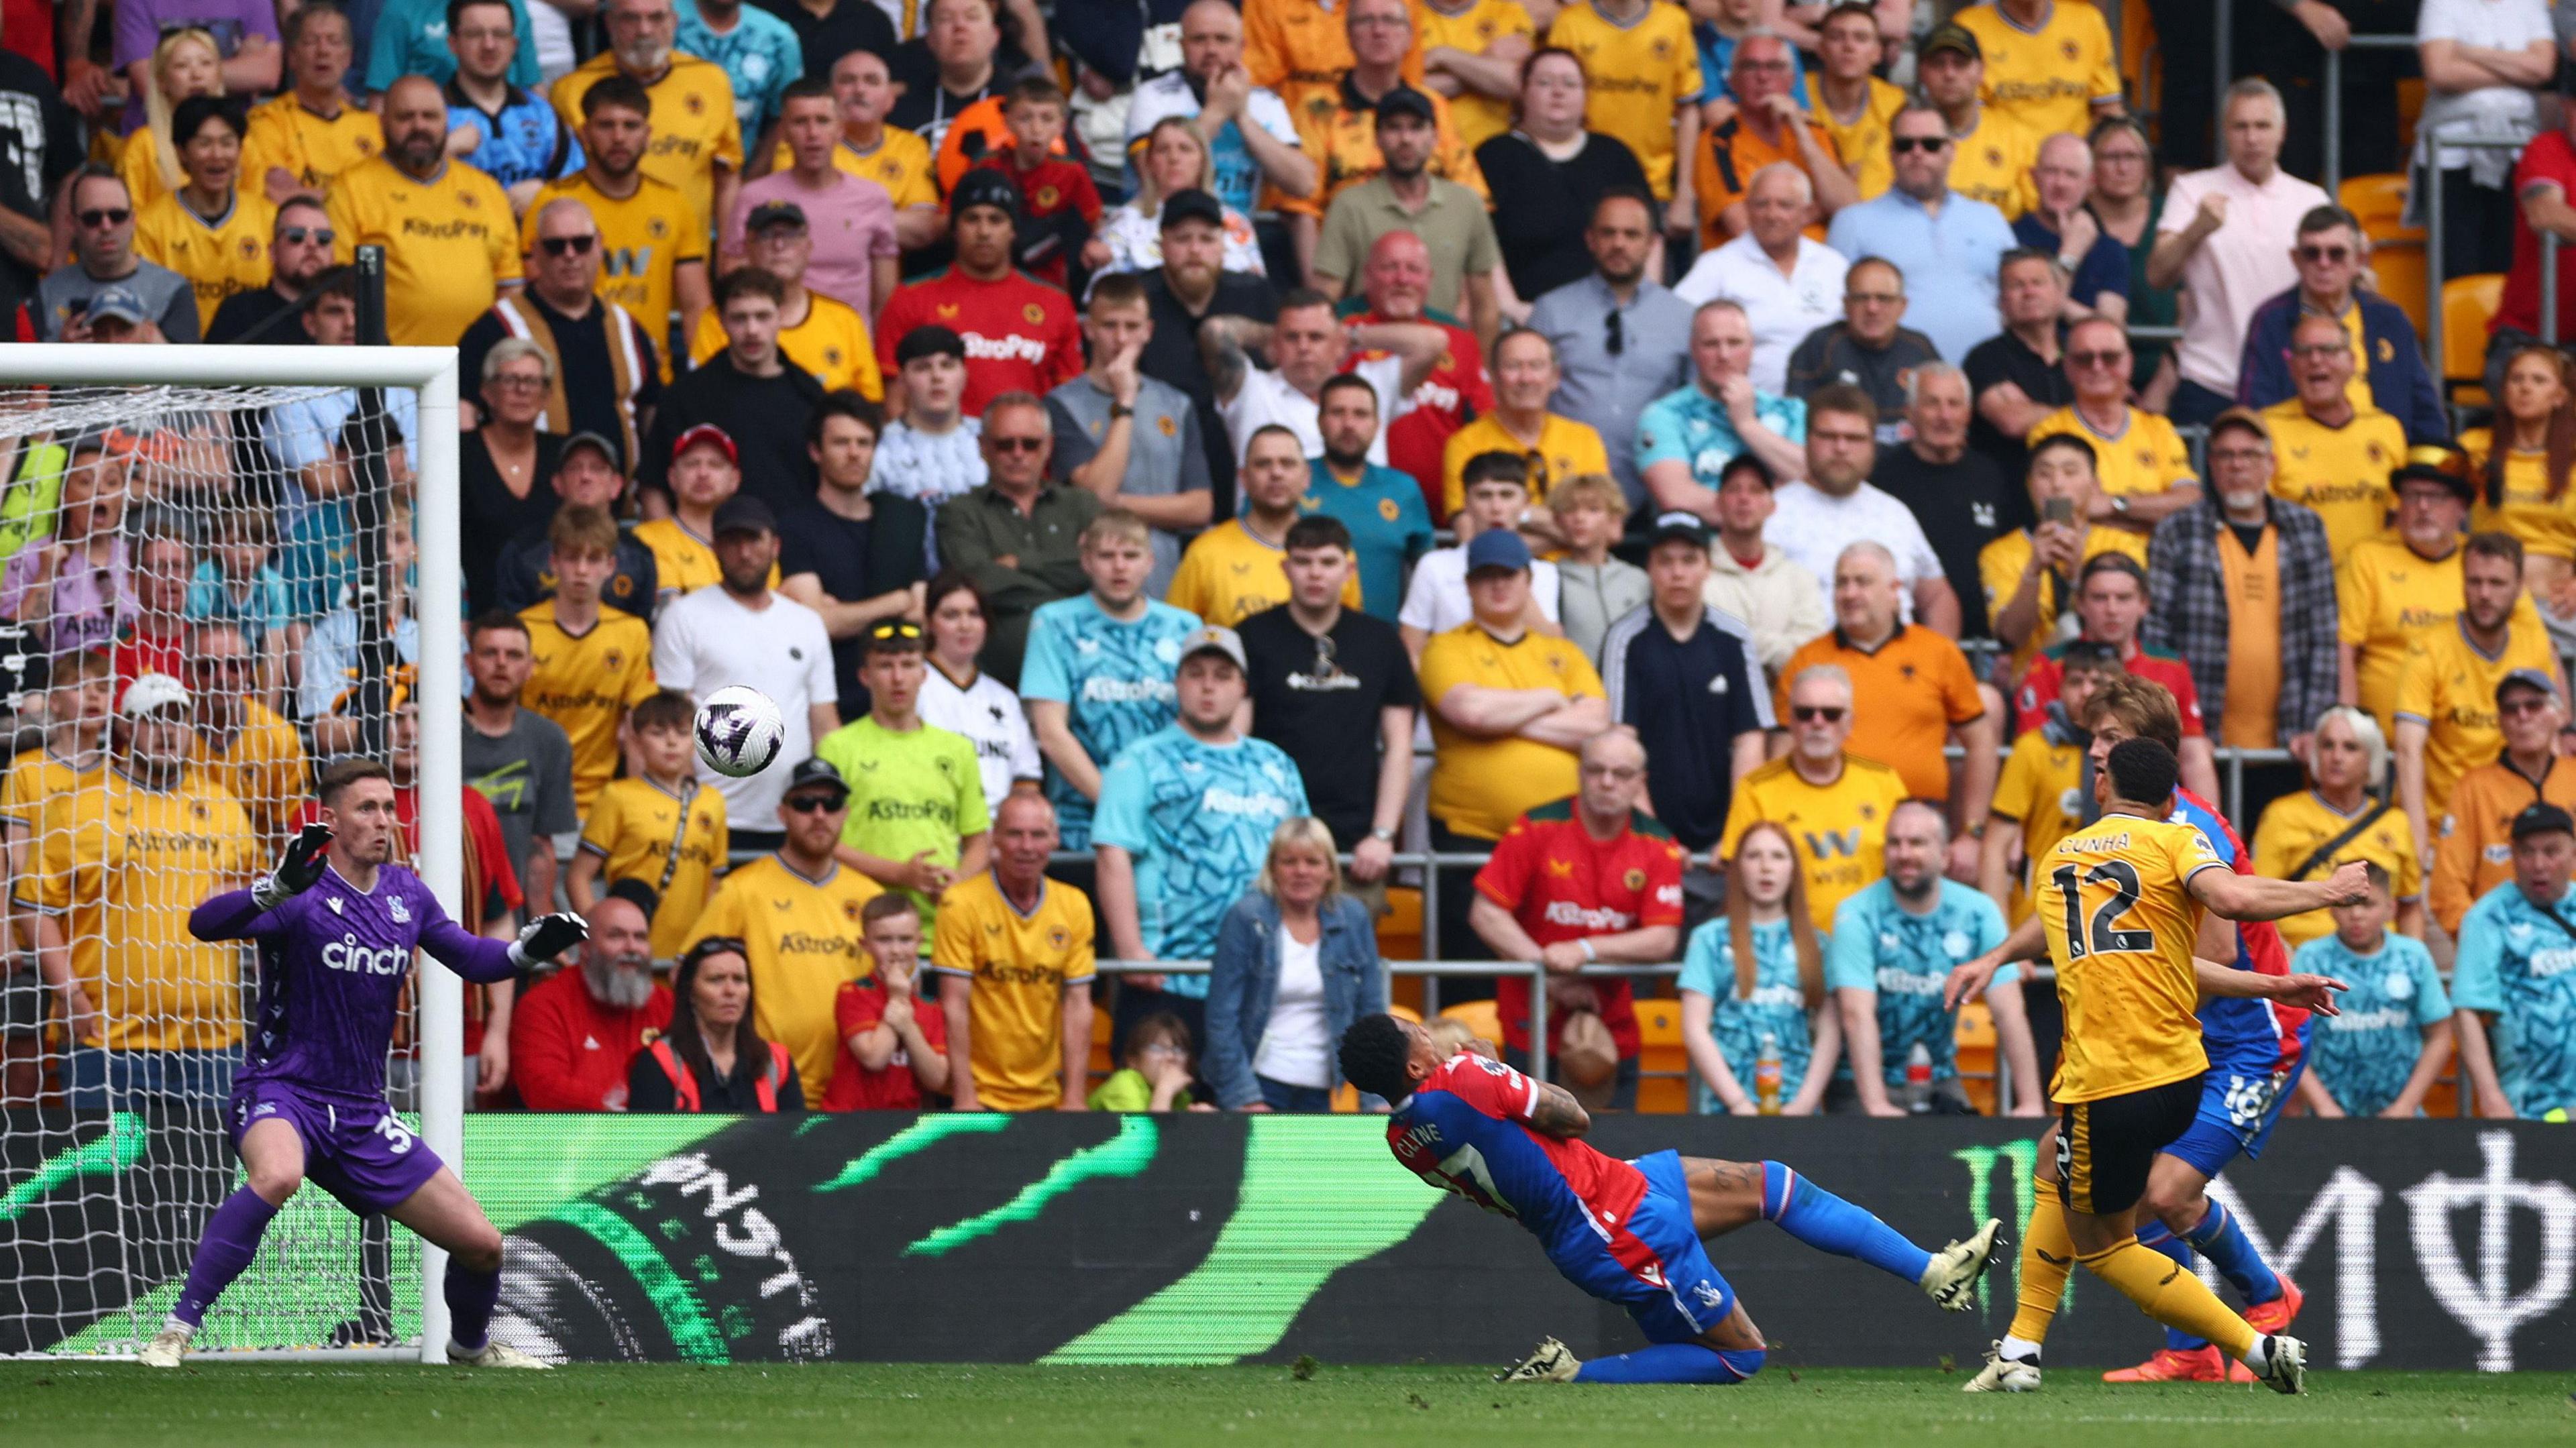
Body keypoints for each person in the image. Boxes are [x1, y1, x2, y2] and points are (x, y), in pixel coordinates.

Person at [1946, 737, 2355, 1394]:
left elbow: (2232, 902)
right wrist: (2274, 984)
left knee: (2106, 1247)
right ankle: (2020, 1350)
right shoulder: (2176, 839)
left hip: (2106, 1080)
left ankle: (2256, 1346)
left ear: (2104, 790)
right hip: (2179, 1076)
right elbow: (2182, 946)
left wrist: (2328, 891)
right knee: (2056, 1162)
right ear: (2170, 800)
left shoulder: (2060, 860)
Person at [151, 763, 585, 1369]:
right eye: (367, 808)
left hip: (362, 1111)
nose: (384, 820)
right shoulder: (298, 892)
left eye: (388, 807)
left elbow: (474, 959)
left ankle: (469, 1349)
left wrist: (526, 950)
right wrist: (275, 886)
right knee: (277, 1175)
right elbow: (203, 924)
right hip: (284, 1090)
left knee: (483, 1244)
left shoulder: (407, 894)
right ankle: (175, 1332)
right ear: (329, 820)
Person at [1339, 1010, 2002, 1386]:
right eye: (1411, 1030)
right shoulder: (1461, 1078)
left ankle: (1934, 1270)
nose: (1421, 1027)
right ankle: (1569, 1374)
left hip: (1615, 1188)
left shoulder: (1401, 1139)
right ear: (1416, 1064)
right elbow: (1573, 1116)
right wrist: (1499, 1070)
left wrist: (1486, 1075)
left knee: (1773, 1181)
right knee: (1741, 1355)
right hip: (1611, 1225)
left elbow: (1497, 1142)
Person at [27, 674, 256, 1109]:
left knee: (209, 1176)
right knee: (101, 1177)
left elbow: (251, 894)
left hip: (211, 1040)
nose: (168, 731)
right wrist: (68, 994)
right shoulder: (78, 805)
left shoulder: (225, 806)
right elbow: (35, 908)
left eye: (179, 719)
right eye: (154, 719)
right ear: (127, 727)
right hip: (105, 1038)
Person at [1093, 624, 1309, 1050]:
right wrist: (1130, 949)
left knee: (1252, 1112)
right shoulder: (1140, 760)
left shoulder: (1275, 764)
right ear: (1177, 683)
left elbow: (1305, 860)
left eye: (1222, 675)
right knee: (1156, 1114)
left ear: (1243, 688)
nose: (1208, 686)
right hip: (1168, 976)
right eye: (1196, 673)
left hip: (1260, 977)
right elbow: (1112, 855)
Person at [1469, 728, 1683, 1106]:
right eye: (1595, 770)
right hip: (1533, 1019)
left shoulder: (1657, 843)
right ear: (1580, 773)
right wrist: (1550, 975)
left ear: (1640, 783)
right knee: (1532, 1155)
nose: (1606, 782)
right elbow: (1486, 912)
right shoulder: (1538, 827)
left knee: (1617, 1152)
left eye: (1620, 774)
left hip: (1611, 1029)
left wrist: (1585, 949)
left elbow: (1663, 938)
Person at [2144, 408, 2341, 812]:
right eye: (2225, 455)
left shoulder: (2307, 529)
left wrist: (2314, 725)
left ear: (2271, 463)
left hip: (2289, 742)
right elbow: (2156, 640)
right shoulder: (2176, 531)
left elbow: (2324, 634)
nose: (2237, 465)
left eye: (2249, 455)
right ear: (2210, 465)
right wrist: (2177, 729)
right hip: (2199, 743)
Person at [678, 757, 880, 1104]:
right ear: (782, 813)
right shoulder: (742, 890)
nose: (819, 814)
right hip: (766, 1083)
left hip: (855, 1090)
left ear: (845, 814)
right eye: (804, 804)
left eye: (830, 804)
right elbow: (689, 972)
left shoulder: (870, 897)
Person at [1237, 514, 1417, 892]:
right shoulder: (1251, 637)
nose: (1315, 574)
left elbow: (1400, 747)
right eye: (1303, 562)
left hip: (1356, 843)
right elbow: (1237, 745)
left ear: (1349, 570)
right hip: (1268, 833)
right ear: (1286, 568)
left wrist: (1383, 834)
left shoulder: (1381, 641)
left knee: (1348, 951)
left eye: (1328, 562)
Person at [649, 494, 841, 850]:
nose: (745, 552)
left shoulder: (807, 623)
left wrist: (825, 806)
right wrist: (686, 811)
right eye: (732, 541)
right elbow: (670, 721)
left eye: (754, 539)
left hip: (796, 816)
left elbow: (825, 723)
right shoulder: (683, 617)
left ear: (775, 546)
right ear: (716, 548)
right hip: (710, 817)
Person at [1827, 797, 2038, 1116]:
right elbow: (1856, 1014)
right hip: (1861, 1083)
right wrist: (1877, 1105)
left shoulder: (1978, 912)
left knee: (1964, 1160)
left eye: (1917, 843)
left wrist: (2030, 1103)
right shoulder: (1857, 913)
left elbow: (2008, 1009)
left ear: (1945, 855)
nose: (1904, 854)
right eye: (1895, 843)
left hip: (1940, 1078)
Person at [2147, 80, 2332, 427]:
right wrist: (2198, 228)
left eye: (2262, 126)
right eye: (2240, 126)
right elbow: (2157, 275)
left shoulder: (2312, 200)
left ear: (2282, 132)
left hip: (2289, 381)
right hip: (2208, 379)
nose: (2252, 138)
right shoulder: (2191, 191)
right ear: (2224, 132)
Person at [1020, 510, 1201, 850]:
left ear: (1149, 562)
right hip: (1081, 821)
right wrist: (1121, 805)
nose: (1120, 567)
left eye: (1130, 556)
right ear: (1086, 562)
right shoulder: (1054, 623)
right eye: (1106, 556)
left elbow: (1198, 722)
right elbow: (1051, 732)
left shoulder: (1184, 627)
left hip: (1170, 814)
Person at [1780, 541, 1994, 820]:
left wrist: (1973, 830)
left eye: (1862, 582)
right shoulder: (1807, 660)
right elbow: (1782, 751)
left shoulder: (1938, 652)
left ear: (1895, 591)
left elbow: (1981, 743)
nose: (1849, 593)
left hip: (1919, 820)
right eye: (1841, 583)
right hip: (1830, 817)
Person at [2395, 533, 2567, 879]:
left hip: (2519, 836)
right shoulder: (2429, 648)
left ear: (2520, 587)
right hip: (2444, 832)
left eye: (2497, 583)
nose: (2485, 594)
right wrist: (2418, 844)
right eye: (2475, 582)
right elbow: (2407, 748)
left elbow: (2550, 739)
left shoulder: (2533, 644)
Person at [1600, 511, 1768, 860]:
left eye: (1690, 561)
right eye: (1666, 561)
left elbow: (1750, 742)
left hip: (1724, 841)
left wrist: (1737, 833)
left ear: (1709, 567)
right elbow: (1620, 742)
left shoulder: (1733, 639)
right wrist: (1653, 837)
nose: (1678, 574)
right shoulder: (1626, 639)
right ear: (1649, 567)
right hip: (1647, 839)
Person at [525, 73, 710, 379]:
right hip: (570, 373)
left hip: (651, 374)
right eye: (606, 125)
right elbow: (532, 296)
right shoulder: (554, 201)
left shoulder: (672, 203)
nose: (619, 137)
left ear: (648, 134)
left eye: (631, 126)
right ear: (585, 134)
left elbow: (695, 306)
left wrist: (703, 380)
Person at [814, 618, 990, 932]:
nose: (898, 678)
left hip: (941, 929)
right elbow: (824, 841)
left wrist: (957, 884)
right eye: (885, 666)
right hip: (861, 926)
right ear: (865, 676)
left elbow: (978, 840)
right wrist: (898, 874)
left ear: (924, 675)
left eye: (908, 665)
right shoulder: (837, 747)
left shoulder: (957, 750)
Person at [457, 197, 660, 469]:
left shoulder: (628, 328)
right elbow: (461, 415)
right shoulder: (495, 328)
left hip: (620, 508)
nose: (570, 254)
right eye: (555, 246)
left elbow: (653, 419)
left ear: (600, 245)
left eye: (582, 243)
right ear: (535, 252)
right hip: (525, 508)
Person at [1203, 817, 1387, 1111]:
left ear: (1329, 870)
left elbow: (1371, 1013)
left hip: (1322, 1086)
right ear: (1273, 869)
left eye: (1312, 862)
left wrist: (1376, 1097)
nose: (1301, 871)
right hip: (1259, 1083)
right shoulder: (1246, 917)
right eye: (1289, 862)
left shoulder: (1354, 918)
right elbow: (1222, 1016)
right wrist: (1245, 1097)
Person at [1277, 0, 1489, 252]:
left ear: (1410, 37)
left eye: (1390, 21)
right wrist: (1318, 289)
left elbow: (1472, 200)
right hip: (1348, 259)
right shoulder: (1318, 109)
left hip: (1432, 257)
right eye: (1366, 21)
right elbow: (1302, 210)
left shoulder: (1433, 106)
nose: (1379, 31)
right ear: (1349, 36)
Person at [1047, 273, 1213, 598]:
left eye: (1132, 327)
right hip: (1093, 585)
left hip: (1165, 580)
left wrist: (1117, 504)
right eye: (1110, 326)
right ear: (1089, 329)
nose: (1121, 339)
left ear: (1148, 331)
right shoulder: (1060, 404)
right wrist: (1124, 401)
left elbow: (1200, 507)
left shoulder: (1177, 404)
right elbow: (1095, 494)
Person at [326, 76, 520, 348]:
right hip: (392, 371)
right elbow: (340, 290)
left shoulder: (486, 190)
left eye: (430, 116)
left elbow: (510, 287)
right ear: (381, 122)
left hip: (477, 372)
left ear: (447, 121)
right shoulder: (349, 189)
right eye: (405, 117)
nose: (419, 126)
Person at [1527, 189, 1691, 510]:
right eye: (1608, 233)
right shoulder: (1551, 311)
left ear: (1652, 243)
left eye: (1632, 235)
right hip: (1563, 492)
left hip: (1658, 495)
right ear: (1590, 240)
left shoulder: (1684, 318)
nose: (1619, 244)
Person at [934, 791, 1097, 1111]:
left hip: (1047, 1096)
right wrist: (964, 1095)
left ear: (1054, 839)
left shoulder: (1074, 904)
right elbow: (954, 1003)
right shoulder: (961, 903)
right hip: (980, 1096)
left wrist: (1075, 1096)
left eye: (1038, 835)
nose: (1026, 846)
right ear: (995, 838)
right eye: (1015, 834)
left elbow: (1079, 1004)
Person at [875, 170, 1083, 417]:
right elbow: (894, 403)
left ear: (1013, 230)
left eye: (996, 220)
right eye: (972, 219)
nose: (984, 231)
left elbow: (1071, 404)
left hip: (1022, 450)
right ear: (954, 229)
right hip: (938, 451)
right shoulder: (910, 298)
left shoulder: (1054, 303)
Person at [2011, 553, 2218, 796]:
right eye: (2100, 598)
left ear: (2144, 604)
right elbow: (2033, 747)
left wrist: (2207, 828)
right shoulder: (2050, 663)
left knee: (2199, 748)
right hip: (2061, 794)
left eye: (2123, 598)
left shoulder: (2171, 666)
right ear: (2080, 604)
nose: (2112, 609)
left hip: (2149, 793)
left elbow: (2191, 752)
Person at [1719, 663, 1907, 931]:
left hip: (1872, 940)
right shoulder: (1756, 789)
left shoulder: (1884, 782)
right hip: (1790, 947)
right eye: (1806, 713)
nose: (1818, 723)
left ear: (1849, 723)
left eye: (1831, 714)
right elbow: (1738, 881)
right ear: (1791, 722)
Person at [935, 391, 1105, 686]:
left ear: (1049, 446)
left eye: (1030, 444)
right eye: (1004, 444)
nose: (1018, 453)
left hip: (1086, 673)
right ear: (983, 447)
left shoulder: (1083, 505)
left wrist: (1017, 563)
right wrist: (1067, 591)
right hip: (997, 680)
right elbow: (977, 582)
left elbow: (1103, 572)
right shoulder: (959, 512)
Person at [1824, 104, 2015, 365]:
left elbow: (2014, 301)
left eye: (1931, 144)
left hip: (1987, 381)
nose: (1917, 153)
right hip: (1891, 386)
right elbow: (1834, 313)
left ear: (1951, 151)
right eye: (1905, 145)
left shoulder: (1990, 218)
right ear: (1891, 154)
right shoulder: (1853, 222)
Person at [2237, 205, 2445, 443]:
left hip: (2384, 462)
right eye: (2312, 253)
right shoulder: (2271, 320)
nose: (2324, 263)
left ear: (2359, 260)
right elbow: (2253, 413)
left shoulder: (2390, 319)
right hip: (2299, 462)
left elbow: (2426, 413)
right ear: (2296, 260)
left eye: (2336, 254)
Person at [1314, 88, 1502, 346]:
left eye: (1416, 128)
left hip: (1445, 358)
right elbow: (1325, 300)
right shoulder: (1349, 205)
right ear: (1377, 138)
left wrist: (1483, 373)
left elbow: (1485, 305)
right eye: (1394, 128)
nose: (1405, 139)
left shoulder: (1466, 203)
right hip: (1368, 353)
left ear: (1435, 137)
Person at [1764, 387, 1955, 630]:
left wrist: (1937, 662)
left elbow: (1937, 597)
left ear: (1873, 445)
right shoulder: (1771, 514)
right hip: (1807, 664)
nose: (1841, 448)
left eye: (1855, 438)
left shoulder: (1895, 514)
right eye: (1828, 436)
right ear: (1807, 440)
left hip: (1897, 665)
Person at [1677, 820, 1834, 1114]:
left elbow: (1830, 1028)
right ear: (1737, 869)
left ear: (1793, 870)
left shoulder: (1820, 944)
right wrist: (1738, 1103)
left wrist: (1804, 1103)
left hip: (1800, 1113)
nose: (1766, 866)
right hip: (1725, 1112)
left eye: (1778, 856)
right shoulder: (1708, 939)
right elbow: (1695, 1028)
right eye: (1753, 856)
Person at [549, 0, 743, 237]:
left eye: (657, 18)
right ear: (610, 23)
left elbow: (727, 178)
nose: (644, 31)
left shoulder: (711, 82)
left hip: (688, 257)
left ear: (674, 22)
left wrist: (729, 254)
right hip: (600, 255)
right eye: (630, 19)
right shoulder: (571, 90)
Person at [1474, 48, 1649, 308]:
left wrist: (1641, 303)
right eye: (1545, 83)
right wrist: (1513, 308)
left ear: (1585, 95)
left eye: (1570, 84)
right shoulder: (1494, 156)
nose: (1558, 92)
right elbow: (1480, 243)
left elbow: (1650, 238)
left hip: (1612, 311)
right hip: (1523, 312)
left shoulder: (1614, 155)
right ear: (1523, 91)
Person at [1201, 286, 1441, 475]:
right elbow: (1214, 331)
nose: (1304, 347)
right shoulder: (1252, 390)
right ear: (1275, 345)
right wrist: (1272, 336)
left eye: (1316, 337)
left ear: (1338, 345)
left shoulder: (1370, 385)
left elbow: (1433, 343)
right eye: (1292, 337)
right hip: (1269, 535)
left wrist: (1352, 336)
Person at [567, 689, 727, 961]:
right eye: (658, 732)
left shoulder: (713, 802)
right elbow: (579, 876)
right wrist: (600, 932)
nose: (671, 742)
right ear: (637, 741)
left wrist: (706, 943)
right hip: (630, 951)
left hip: (687, 954)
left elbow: (715, 883)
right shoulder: (618, 796)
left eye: (682, 732)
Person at [517, 504, 657, 814]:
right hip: (532, 801)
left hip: (603, 803)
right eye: (571, 558)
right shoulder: (524, 629)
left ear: (611, 566)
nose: (581, 570)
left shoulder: (631, 633)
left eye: (593, 559)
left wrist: (638, 811)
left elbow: (638, 729)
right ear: (554, 563)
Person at [1122, 0, 1316, 223]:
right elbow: (1153, 176)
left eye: (1222, 39)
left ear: (1242, 47)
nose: (1211, 50)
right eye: (1199, 40)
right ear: (1181, 46)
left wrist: (1243, 118)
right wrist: (1218, 111)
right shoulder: (1153, 96)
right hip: (1156, 236)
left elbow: (1304, 184)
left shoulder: (1265, 103)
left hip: (1235, 242)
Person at [2251, 706, 2422, 951]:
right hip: (2301, 961)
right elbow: (2258, 899)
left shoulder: (2396, 822)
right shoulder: (2282, 814)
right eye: (2327, 745)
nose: (2337, 757)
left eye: (2350, 747)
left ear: (2371, 759)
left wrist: (2411, 965)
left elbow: (2409, 908)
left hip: (2379, 967)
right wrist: (2283, 965)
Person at [2291, 863, 2453, 1119]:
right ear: (2331, 908)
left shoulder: (2413, 956)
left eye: (2367, 904)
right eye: (2347, 903)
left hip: (2403, 1118)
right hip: (2326, 1120)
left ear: (2391, 909)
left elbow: (2440, 1036)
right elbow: (2291, 1037)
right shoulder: (2311, 960)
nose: (2356, 914)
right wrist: (2323, 1106)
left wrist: (2407, 1105)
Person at [1672, 163, 1846, 398]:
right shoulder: (1718, 265)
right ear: (1747, 209)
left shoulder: (1833, 265)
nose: (1772, 215)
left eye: (1785, 205)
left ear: (1807, 213)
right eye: (1762, 204)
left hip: (1823, 412)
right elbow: (1673, 330)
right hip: (1740, 412)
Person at [1982, 638, 2122, 922]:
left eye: (2097, 682)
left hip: (2115, 924)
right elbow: (1995, 849)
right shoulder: (2033, 749)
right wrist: (2001, 941)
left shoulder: (2133, 753)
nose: (2086, 692)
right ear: (2060, 689)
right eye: (2075, 682)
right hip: (2040, 921)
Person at [2452, 801, 2576, 1119]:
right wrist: (2491, 1097)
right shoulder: (2489, 917)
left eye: (2552, 852)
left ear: (2573, 853)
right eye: (2526, 852)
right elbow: (2467, 1010)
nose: (2538, 864)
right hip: (2530, 1105)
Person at [2413, 0, 2553, 282]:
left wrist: (2470, 53)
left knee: (2508, 268)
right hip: (2450, 156)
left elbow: (2543, 68)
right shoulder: (2441, 3)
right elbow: (2441, 72)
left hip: (2517, 152)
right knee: (2456, 267)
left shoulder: (2530, 4)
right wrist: (2515, 68)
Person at [2431, 669, 2576, 935]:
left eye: (2534, 705)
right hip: (2501, 942)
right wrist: (2487, 942)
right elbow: (2447, 889)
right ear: (2500, 722)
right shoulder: (2473, 788)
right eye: (2511, 709)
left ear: (2558, 714)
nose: (2523, 716)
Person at [2027, 317, 2202, 537]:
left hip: (2158, 565)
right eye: (2084, 359)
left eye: (2110, 358)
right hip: (2084, 564)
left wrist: (2114, 504)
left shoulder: (2159, 429)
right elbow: (2057, 515)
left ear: (2129, 363)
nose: (2097, 367)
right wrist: (2153, 518)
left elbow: (2191, 505)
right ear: (2068, 367)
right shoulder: (2047, 432)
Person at [1637, 299, 1807, 522]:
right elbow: (1677, 497)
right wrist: (1766, 511)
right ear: (1694, 349)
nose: (1724, 355)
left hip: (1781, 552)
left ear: (1751, 348)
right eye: (1711, 344)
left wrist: (1747, 425)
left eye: (1735, 343)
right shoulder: (1663, 415)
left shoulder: (1791, 411)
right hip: (1700, 551)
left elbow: (1813, 480)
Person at [1167, 425, 1354, 628]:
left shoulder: (1336, 553)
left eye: (1288, 463)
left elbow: (1351, 635)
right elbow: (1174, 637)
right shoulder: (1205, 553)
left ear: (1307, 477)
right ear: (1244, 478)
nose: (1276, 473)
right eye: (1263, 464)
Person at [697, 201, 885, 400]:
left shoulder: (845, 320)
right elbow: (701, 395)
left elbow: (870, 405)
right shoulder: (718, 319)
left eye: (791, 235)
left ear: (809, 247)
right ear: (747, 248)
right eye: (766, 236)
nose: (779, 245)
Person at [2257, 314, 2410, 558]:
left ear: (2352, 363)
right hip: (2300, 580)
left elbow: (2398, 518)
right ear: (2291, 367)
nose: (2316, 360)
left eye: (2328, 350)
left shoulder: (2386, 428)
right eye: (2304, 352)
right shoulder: (2265, 429)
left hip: (2370, 585)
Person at [1872, 364, 2007, 638]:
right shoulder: (1881, 480)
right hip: (1907, 640)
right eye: (1932, 404)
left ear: (1968, 414)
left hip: (1989, 644)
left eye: (1954, 404)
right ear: (1909, 413)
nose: (1944, 416)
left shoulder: (1993, 475)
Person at [1690, 30, 1853, 249]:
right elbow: (1743, 227)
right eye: (1750, 67)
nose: (1763, 77)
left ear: (1792, 80)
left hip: (1818, 268)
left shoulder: (1816, 135)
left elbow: (1849, 209)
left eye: (1774, 67)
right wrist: (1818, 209)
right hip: (1749, 269)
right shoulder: (1717, 141)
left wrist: (1801, 133)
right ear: (1733, 81)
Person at [461, 611, 579, 913]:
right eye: (490, 653)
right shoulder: (437, 735)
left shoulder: (549, 739)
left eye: (514, 655)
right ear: (469, 664)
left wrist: (540, 921)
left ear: (529, 668)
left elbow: (541, 844)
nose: (502, 663)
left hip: (510, 916)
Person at [508, 895, 672, 1111]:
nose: (632, 948)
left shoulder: (666, 1004)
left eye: (640, 937)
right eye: (616, 936)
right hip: (571, 1141)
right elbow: (543, 1089)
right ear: (585, 946)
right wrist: (629, 1111)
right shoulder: (543, 1005)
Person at [132, 97, 276, 335]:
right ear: (181, 152)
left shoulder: (268, 218)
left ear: (240, 150)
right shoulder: (150, 225)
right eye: (204, 143)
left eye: (227, 143)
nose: (217, 154)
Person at [2463, 346, 2576, 637]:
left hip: (2560, 608)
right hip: (2487, 608)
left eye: (2539, 381)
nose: (2525, 388)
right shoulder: (2473, 449)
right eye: (2517, 379)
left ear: (2560, 396)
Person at [1303, 373, 1436, 618]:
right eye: (1337, 413)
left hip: (1382, 644)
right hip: (1299, 638)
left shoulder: (1403, 489)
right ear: (1320, 422)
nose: (1349, 424)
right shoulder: (1291, 480)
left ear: (1377, 425)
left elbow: (1428, 577)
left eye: (1360, 414)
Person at [490, 430, 661, 617]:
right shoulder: (523, 552)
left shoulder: (638, 556)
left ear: (617, 485)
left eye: (597, 468)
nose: (585, 477)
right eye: (574, 468)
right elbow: (509, 631)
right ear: (558, 484)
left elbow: (644, 632)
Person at [627, 935, 805, 1111]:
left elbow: (796, 1137)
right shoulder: (658, 1062)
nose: (730, 991)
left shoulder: (776, 1062)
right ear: (690, 993)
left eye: (739, 980)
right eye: (716, 979)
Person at [442, 0, 585, 209]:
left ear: (514, 45)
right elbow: (398, 188)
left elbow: (579, 188)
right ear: (453, 44)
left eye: (500, 34)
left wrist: (547, 192)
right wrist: (442, 152)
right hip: (458, 236)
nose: (489, 45)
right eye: (475, 35)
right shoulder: (431, 116)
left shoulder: (542, 114)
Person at [30, 170, 201, 341]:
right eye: (93, 218)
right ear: (72, 224)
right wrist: (62, 356)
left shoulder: (173, 291)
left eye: (117, 216)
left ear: (133, 220)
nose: (106, 227)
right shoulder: (48, 293)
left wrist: (157, 350)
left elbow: (189, 367)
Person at [1698, 453, 1827, 677]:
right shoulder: (1697, 575)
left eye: (1756, 490)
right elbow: (1701, 651)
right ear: (1718, 503)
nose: (1744, 498)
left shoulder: (1800, 578)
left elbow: (1810, 656)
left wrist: (1737, 639)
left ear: (1772, 506)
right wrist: (1779, 648)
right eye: (1734, 490)